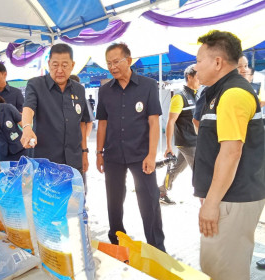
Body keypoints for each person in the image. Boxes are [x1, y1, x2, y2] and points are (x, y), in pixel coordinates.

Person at [193, 30, 265, 280]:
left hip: (232, 199)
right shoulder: (219, 93)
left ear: (217, 62)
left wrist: (212, 203)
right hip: (228, 197)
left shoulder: (233, 94)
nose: (195, 66)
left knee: (224, 271)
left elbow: (231, 152)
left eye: (199, 60)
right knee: (220, 265)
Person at [96, 43, 165, 252]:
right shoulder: (105, 90)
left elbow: (154, 123)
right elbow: (102, 124)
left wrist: (152, 155)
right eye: (109, 63)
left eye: (116, 61)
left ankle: (156, 247)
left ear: (129, 60)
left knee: (149, 200)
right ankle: (117, 240)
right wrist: (99, 153)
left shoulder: (148, 86)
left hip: (141, 154)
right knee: (114, 200)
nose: (112, 67)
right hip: (113, 155)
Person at [20, 43, 90, 174]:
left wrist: (84, 152)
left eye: (64, 65)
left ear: (72, 65)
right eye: (55, 65)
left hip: (73, 161)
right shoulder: (36, 85)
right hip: (45, 162)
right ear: (48, 64)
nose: (59, 70)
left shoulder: (79, 89)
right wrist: (27, 128)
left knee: (76, 194)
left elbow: (82, 123)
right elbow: (28, 107)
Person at [159, 64, 200, 205]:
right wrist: (168, 146)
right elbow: (170, 122)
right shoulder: (179, 97)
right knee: (200, 170)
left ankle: (161, 191)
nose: (201, 80)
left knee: (176, 168)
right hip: (187, 142)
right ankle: (205, 199)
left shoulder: (196, 94)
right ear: (189, 77)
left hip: (194, 140)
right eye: (198, 76)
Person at [0, 62, 24, 161]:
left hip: (11, 141)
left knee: (11, 170)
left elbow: (21, 114)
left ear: (4, 74)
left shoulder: (16, 93)